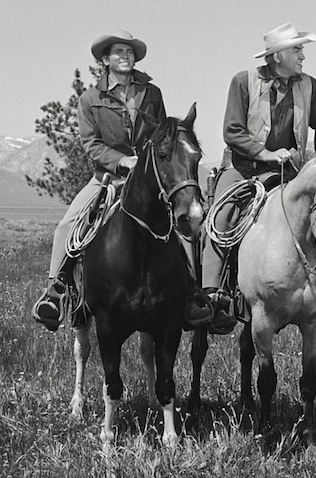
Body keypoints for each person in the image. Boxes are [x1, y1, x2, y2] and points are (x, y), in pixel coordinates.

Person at [33, 30, 211, 331]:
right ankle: (56, 290)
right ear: (106, 59)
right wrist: (120, 161)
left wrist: (147, 163)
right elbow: (91, 144)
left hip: (148, 183)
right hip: (107, 179)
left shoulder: (152, 93)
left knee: (182, 227)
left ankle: (192, 292)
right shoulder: (90, 98)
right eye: (118, 52)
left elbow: (163, 136)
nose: (125, 56)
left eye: (129, 52)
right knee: (67, 225)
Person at [201, 22, 316, 330]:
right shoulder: (243, 81)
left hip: (288, 175)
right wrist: (264, 153)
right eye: (297, 49)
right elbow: (232, 131)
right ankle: (214, 297)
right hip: (242, 171)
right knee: (220, 217)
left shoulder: (311, 87)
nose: (303, 56)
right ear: (277, 56)